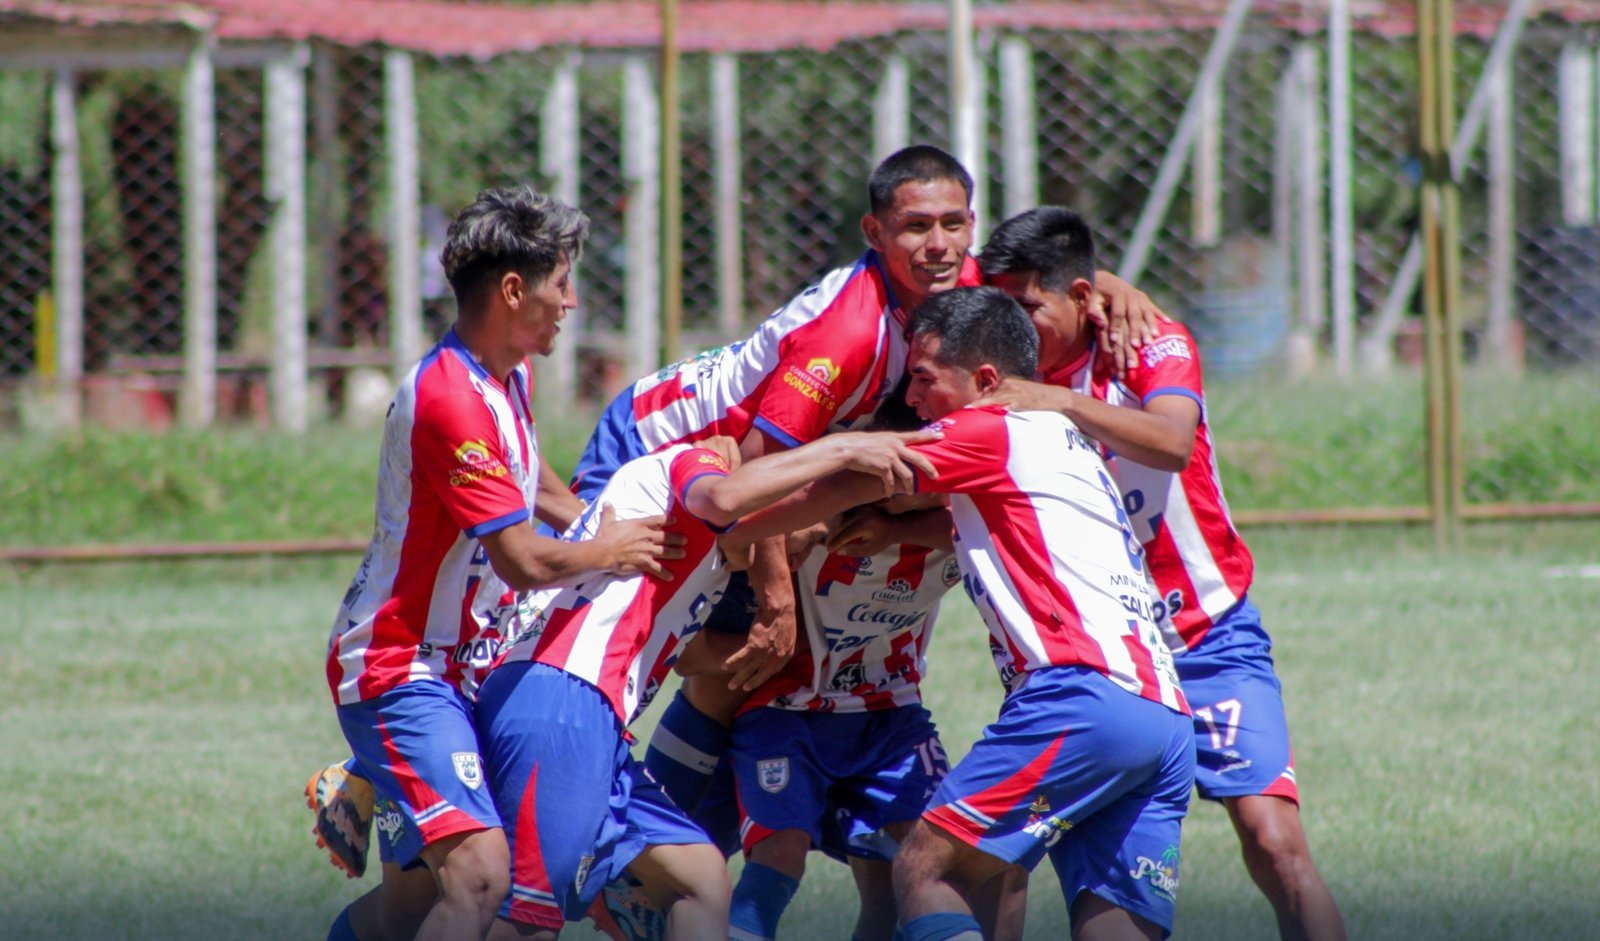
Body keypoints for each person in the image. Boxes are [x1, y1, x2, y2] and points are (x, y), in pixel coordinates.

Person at [732, 285, 1196, 941]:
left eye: (923, 380)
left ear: (983, 379)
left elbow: (854, 478)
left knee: (927, 866)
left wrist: (738, 520)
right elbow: (994, 531)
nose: (913, 399)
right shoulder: (1069, 442)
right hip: (1163, 716)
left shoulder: (988, 425)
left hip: (1081, 694)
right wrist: (895, 533)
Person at [976, 206, 1347, 941]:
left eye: (1027, 309)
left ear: (1082, 298)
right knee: (1003, 854)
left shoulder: (1146, 340)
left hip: (1206, 634)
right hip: (1097, 661)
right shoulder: (1004, 367)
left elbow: (1172, 441)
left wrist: (1059, 397)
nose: (1012, 326)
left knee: (1274, 840)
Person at [321, 185, 682, 941]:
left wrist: (607, 516)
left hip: (454, 666)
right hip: (398, 668)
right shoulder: (455, 397)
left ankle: (360, 780)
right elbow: (519, 560)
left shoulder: (501, 373)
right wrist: (612, 550)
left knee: (412, 907)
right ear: (514, 289)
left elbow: (540, 485)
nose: (571, 301)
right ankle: (367, 768)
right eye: (561, 282)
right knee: (481, 873)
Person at [472, 421, 941, 939]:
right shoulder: (693, 471)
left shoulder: (703, 556)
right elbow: (725, 497)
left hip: (596, 721)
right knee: (525, 919)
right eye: (813, 528)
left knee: (701, 878)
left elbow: (691, 656)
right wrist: (846, 446)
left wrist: (782, 646)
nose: (811, 546)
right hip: (562, 700)